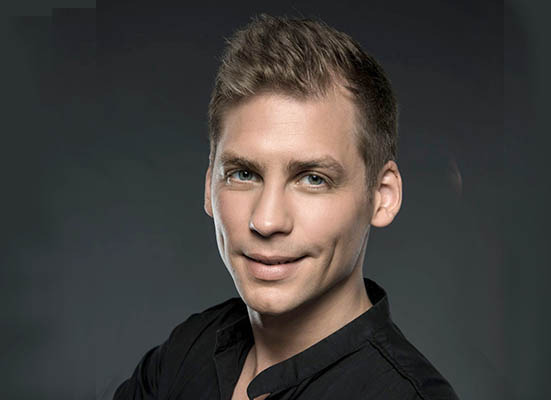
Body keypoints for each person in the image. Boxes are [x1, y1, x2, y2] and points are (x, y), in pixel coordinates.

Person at [115, 14, 459, 400]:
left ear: (382, 196)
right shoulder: (185, 351)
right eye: (244, 174)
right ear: (209, 185)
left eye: (313, 179)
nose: (266, 221)